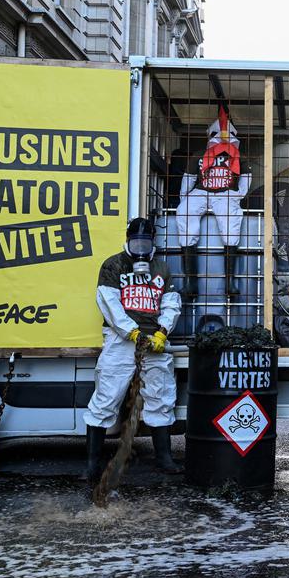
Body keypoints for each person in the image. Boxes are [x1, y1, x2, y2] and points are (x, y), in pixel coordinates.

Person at [85, 217, 183, 480]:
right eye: (135, 242)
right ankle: (92, 465)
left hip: (154, 340)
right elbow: (109, 304)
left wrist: (163, 331)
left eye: (145, 242)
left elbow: (171, 303)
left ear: (153, 243)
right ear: (127, 240)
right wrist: (132, 332)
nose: (140, 247)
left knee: (161, 397)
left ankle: (164, 458)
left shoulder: (161, 267)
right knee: (106, 397)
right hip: (121, 341)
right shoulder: (113, 265)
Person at [175, 106, 252, 300]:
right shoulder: (200, 155)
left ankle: (229, 281)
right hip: (201, 191)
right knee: (184, 212)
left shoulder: (239, 157)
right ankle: (190, 281)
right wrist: (185, 199)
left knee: (231, 219)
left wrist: (236, 196)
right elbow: (189, 178)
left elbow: (246, 179)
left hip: (225, 194)